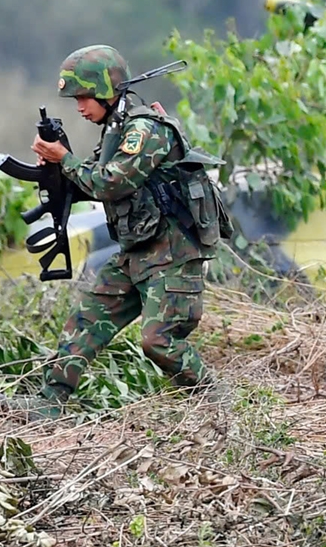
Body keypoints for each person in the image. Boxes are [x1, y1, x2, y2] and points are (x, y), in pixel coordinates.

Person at [23, 45, 227, 415]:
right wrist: (56, 167)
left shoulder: (143, 130)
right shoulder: (116, 130)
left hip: (172, 256)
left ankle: (219, 407)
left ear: (105, 91)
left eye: (84, 97)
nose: (81, 108)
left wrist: (65, 160)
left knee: (158, 342)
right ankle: (49, 405)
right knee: (87, 320)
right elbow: (93, 183)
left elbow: (111, 184)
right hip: (138, 251)